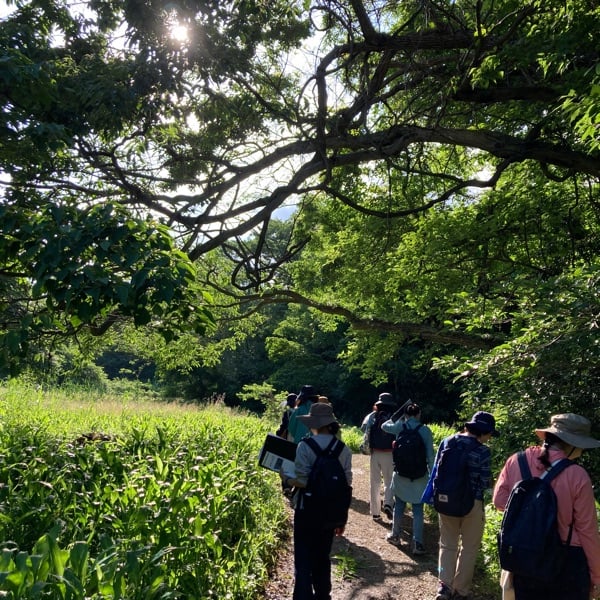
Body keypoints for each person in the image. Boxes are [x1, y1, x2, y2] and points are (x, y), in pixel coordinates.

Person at [492, 413, 600, 600]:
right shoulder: (577, 475)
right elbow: (587, 530)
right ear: (572, 444)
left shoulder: (517, 460)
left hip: (524, 556)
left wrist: (529, 513)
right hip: (566, 561)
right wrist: (597, 575)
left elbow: (500, 501)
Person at [281, 402, 353, 600]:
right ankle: (323, 594)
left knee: (303, 556)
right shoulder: (343, 449)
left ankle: (303, 595)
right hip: (330, 511)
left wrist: (287, 479)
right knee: (322, 555)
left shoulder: (305, 446)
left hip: (306, 508)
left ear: (314, 424)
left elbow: (302, 481)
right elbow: (346, 484)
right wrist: (342, 519)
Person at [433, 411, 498, 600]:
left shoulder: (447, 442)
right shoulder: (483, 451)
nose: (489, 438)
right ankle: (460, 591)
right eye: (490, 434)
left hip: (445, 500)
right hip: (472, 503)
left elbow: (437, 470)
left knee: (447, 545)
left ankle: (444, 586)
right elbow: (484, 483)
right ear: (483, 432)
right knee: (469, 548)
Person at [381, 402, 434, 555]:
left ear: (406, 415)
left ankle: (395, 535)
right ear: (419, 414)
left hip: (401, 474)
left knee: (399, 506)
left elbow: (384, 426)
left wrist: (396, 417)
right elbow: (430, 456)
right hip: (419, 476)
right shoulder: (425, 431)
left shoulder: (400, 427)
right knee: (418, 509)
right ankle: (418, 543)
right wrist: (432, 476)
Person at [360, 392, 396, 520]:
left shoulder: (372, 416)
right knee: (389, 481)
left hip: (375, 453)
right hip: (390, 453)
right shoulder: (394, 417)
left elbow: (363, 429)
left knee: (374, 482)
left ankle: (375, 513)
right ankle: (388, 503)